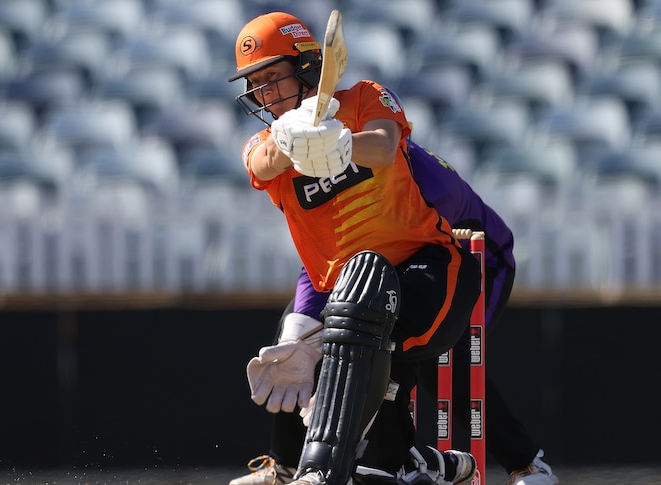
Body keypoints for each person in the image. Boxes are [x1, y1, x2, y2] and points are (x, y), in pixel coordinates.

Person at [227, 11, 482, 485]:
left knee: (350, 330)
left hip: (428, 270)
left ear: (307, 68)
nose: (265, 95)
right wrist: (295, 139)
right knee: (292, 343)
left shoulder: (365, 97)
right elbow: (262, 165)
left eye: (272, 78)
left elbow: (384, 147)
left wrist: (339, 143)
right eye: (256, 85)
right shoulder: (264, 140)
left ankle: (327, 468)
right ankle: (391, 462)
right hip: (348, 292)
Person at [229, 139, 560, 485]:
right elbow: (325, 266)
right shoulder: (333, 177)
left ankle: (527, 465)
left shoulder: (418, 179)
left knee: (431, 352)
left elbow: (422, 251)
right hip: (389, 272)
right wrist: (302, 335)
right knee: (297, 335)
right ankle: (286, 467)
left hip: (470, 264)